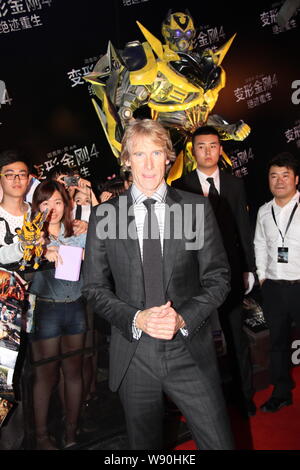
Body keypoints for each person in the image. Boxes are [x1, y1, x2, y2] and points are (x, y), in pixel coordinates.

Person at [83, 119, 234, 450]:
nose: (148, 164)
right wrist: (136, 318)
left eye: (156, 153)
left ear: (169, 157)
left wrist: (183, 317)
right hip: (134, 353)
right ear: (126, 160)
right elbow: (93, 288)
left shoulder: (196, 209)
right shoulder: (105, 215)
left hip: (188, 347)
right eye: (139, 154)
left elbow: (219, 278)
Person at [171, 125, 256, 417]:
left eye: (213, 146)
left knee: (236, 337)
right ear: (193, 152)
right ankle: (208, 405)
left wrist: (249, 268)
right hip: (195, 277)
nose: (208, 152)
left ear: (220, 149)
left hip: (230, 274)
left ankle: (244, 398)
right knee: (200, 342)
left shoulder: (234, 184)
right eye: (201, 146)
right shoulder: (180, 186)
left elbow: (243, 230)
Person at [29, 180, 86, 449]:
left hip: (75, 306)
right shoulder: (31, 237)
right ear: (36, 207)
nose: (52, 208)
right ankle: (41, 436)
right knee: (46, 374)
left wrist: (87, 250)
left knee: (73, 372)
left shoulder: (78, 231)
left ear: (67, 204)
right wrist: (41, 248)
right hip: (46, 309)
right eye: (45, 203)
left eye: (58, 202)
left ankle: (71, 432)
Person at [254, 152, 300, 412]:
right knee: (278, 344)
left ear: (296, 179)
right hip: (273, 287)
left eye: (285, 175)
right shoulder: (263, 211)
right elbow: (259, 244)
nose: (279, 181)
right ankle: (281, 393)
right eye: (274, 176)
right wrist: (262, 275)